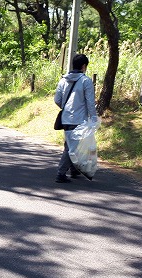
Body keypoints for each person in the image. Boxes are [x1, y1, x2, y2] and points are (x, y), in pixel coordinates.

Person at [53, 53, 98, 183]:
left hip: (66, 119)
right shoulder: (86, 81)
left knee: (71, 144)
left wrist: (66, 107)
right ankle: (60, 174)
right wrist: (93, 119)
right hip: (79, 119)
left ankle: (73, 170)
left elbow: (57, 99)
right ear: (84, 66)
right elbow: (90, 102)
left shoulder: (63, 80)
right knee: (71, 148)